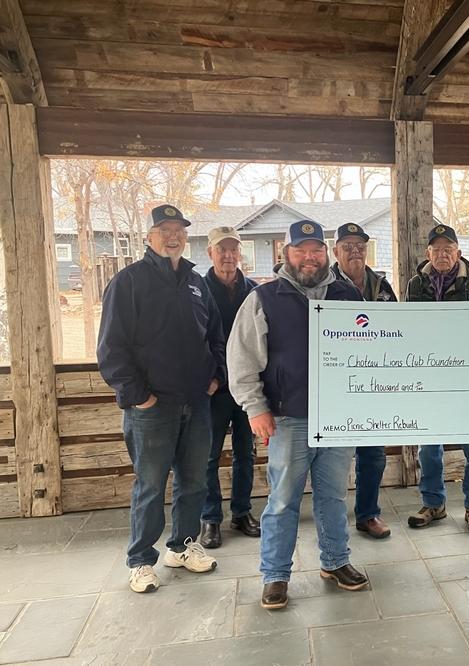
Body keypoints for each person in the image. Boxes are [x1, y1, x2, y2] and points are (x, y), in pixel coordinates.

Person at [229, 219, 369, 610]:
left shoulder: (347, 295)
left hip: (339, 419)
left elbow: (367, 353)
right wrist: (256, 409)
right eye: (300, 250)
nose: (310, 257)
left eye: (316, 250)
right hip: (288, 417)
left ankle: (336, 561)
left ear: (326, 254)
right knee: (283, 500)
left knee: (333, 496)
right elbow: (241, 360)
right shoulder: (264, 298)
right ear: (285, 254)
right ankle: (275, 574)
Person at [97, 204, 223, 594]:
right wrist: (140, 398)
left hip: (196, 404)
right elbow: (111, 348)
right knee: (150, 486)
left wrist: (216, 375)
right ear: (149, 237)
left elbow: (215, 334)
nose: (174, 236)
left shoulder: (195, 282)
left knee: (194, 481)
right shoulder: (128, 282)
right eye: (165, 230)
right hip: (152, 409)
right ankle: (140, 560)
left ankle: (182, 546)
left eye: (180, 230)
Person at [405, 224, 469, 533]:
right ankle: (433, 503)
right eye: (436, 249)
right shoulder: (416, 284)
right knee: (429, 447)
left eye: (448, 249)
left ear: (458, 252)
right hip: (430, 377)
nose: (442, 254)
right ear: (428, 253)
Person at [331, 222, 395, 540]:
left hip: (374, 385)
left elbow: (400, 328)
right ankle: (331, 520)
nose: (355, 252)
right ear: (335, 251)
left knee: (373, 455)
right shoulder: (322, 285)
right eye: (347, 246)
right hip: (336, 387)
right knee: (334, 458)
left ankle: (368, 514)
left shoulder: (382, 286)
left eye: (360, 246)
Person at [199, 226, 260, 548]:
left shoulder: (253, 291)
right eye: (221, 249)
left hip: (247, 390)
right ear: (210, 252)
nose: (228, 255)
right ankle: (210, 519)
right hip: (214, 390)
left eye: (233, 249)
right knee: (208, 457)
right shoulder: (198, 288)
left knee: (244, 454)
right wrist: (211, 378)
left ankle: (241, 512)